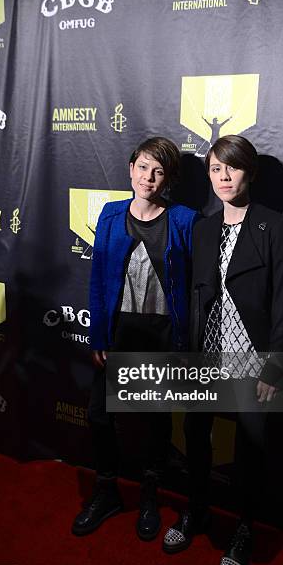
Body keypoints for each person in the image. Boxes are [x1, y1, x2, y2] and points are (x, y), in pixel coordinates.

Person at [162, 135, 283, 565]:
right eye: (215, 169)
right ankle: (196, 511)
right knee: (194, 436)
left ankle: (244, 530)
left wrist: (275, 368)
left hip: (253, 360)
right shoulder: (202, 228)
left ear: (250, 173)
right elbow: (195, 295)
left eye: (232, 168)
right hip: (208, 354)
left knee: (250, 452)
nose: (223, 177)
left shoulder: (274, 228)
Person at [72, 137, 198, 541]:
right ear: (131, 168)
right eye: (143, 167)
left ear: (168, 179)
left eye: (158, 171)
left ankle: (149, 493)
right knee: (99, 414)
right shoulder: (109, 215)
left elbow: (195, 287)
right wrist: (98, 337)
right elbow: (97, 280)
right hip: (118, 330)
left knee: (155, 421)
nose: (149, 177)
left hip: (160, 334)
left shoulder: (184, 220)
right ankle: (106, 490)